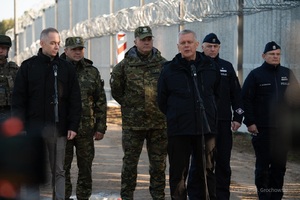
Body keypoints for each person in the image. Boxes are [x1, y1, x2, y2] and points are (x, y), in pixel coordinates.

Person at [12, 27, 82, 200]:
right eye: (52, 43)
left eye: (58, 43)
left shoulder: (66, 68)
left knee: (59, 170)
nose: (56, 46)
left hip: (58, 129)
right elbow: (18, 100)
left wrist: (73, 125)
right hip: (33, 129)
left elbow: (75, 100)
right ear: (41, 43)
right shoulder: (28, 67)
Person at [157, 29, 220, 200]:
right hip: (179, 129)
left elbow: (217, 94)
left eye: (189, 42)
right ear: (178, 46)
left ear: (197, 44)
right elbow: (162, 100)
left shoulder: (210, 66)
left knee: (206, 171)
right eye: (183, 43)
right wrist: (177, 113)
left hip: (205, 128)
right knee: (178, 173)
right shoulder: (169, 70)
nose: (186, 46)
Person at [110, 26, 168, 200]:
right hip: (133, 124)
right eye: (143, 39)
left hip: (158, 123)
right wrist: (131, 106)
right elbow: (117, 91)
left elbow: (168, 91)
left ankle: (158, 196)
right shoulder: (124, 66)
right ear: (135, 41)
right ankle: (127, 196)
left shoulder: (163, 64)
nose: (146, 42)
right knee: (129, 164)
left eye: (149, 39)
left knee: (158, 165)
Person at [242, 41, 300, 200]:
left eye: (278, 54)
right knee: (263, 167)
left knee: (279, 167)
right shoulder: (255, 75)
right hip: (262, 129)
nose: (275, 57)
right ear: (264, 56)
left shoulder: (287, 74)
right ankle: (264, 196)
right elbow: (246, 100)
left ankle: (276, 196)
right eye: (272, 54)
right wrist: (250, 122)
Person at [60, 36, 107, 200]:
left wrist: (101, 127)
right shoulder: (56, 69)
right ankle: (63, 196)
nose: (77, 52)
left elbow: (100, 100)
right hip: (62, 128)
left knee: (85, 167)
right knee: (62, 168)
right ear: (65, 51)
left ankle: (83, 196)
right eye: (74, 49)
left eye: (80, 49)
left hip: (85, 128)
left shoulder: (91, 71)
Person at [201, 33, 244, 200]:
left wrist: (238, 117)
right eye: (209, 46)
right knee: (205, 164)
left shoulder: (227, 66)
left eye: (215, 46)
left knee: (224, 163)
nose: (212, 49)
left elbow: (236, 94)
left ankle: (222, 196)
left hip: (224, 122)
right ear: (202, 47)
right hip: (204, 123)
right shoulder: (197, 66)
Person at [0, 34, 19, 122]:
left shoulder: (14, 69)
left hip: (9, 113)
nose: (0, 50)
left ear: (7, 50)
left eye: (3, 48)